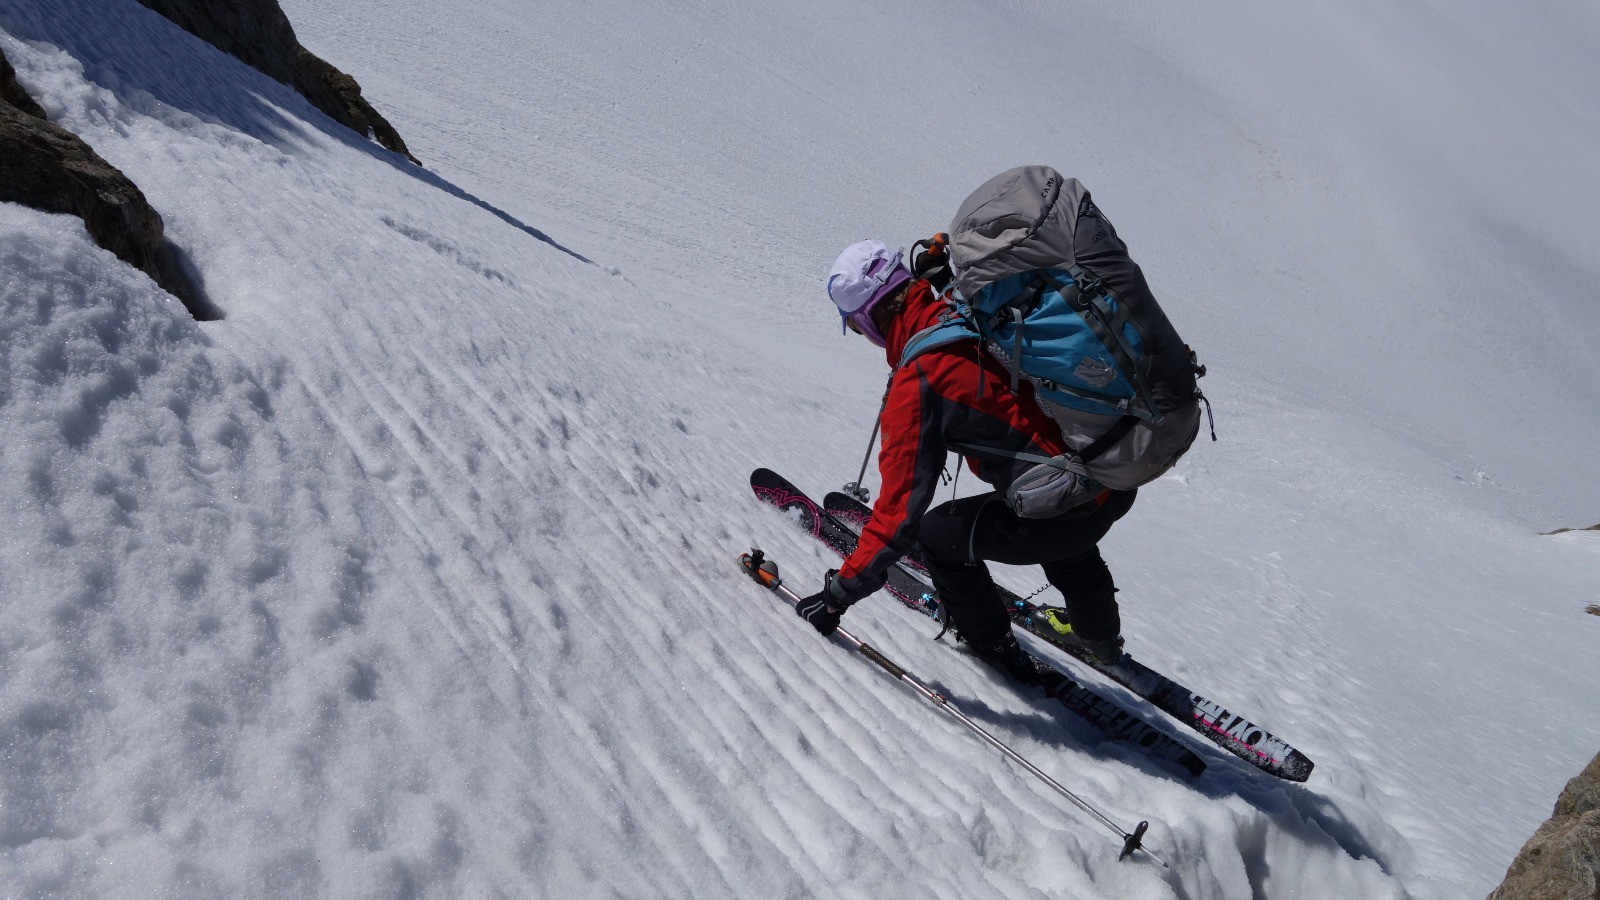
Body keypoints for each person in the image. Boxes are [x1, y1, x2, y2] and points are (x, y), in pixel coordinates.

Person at [794, 238, 1135, 683]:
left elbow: (899, 515)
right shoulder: (971, 307)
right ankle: (1101, 641)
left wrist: (840, 594)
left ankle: (993, 646)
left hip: (1067, 507)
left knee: (938, 536)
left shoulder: (919, 382)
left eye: (857, 328)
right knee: (1059, 505)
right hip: (1116, 471)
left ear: (869, 320)